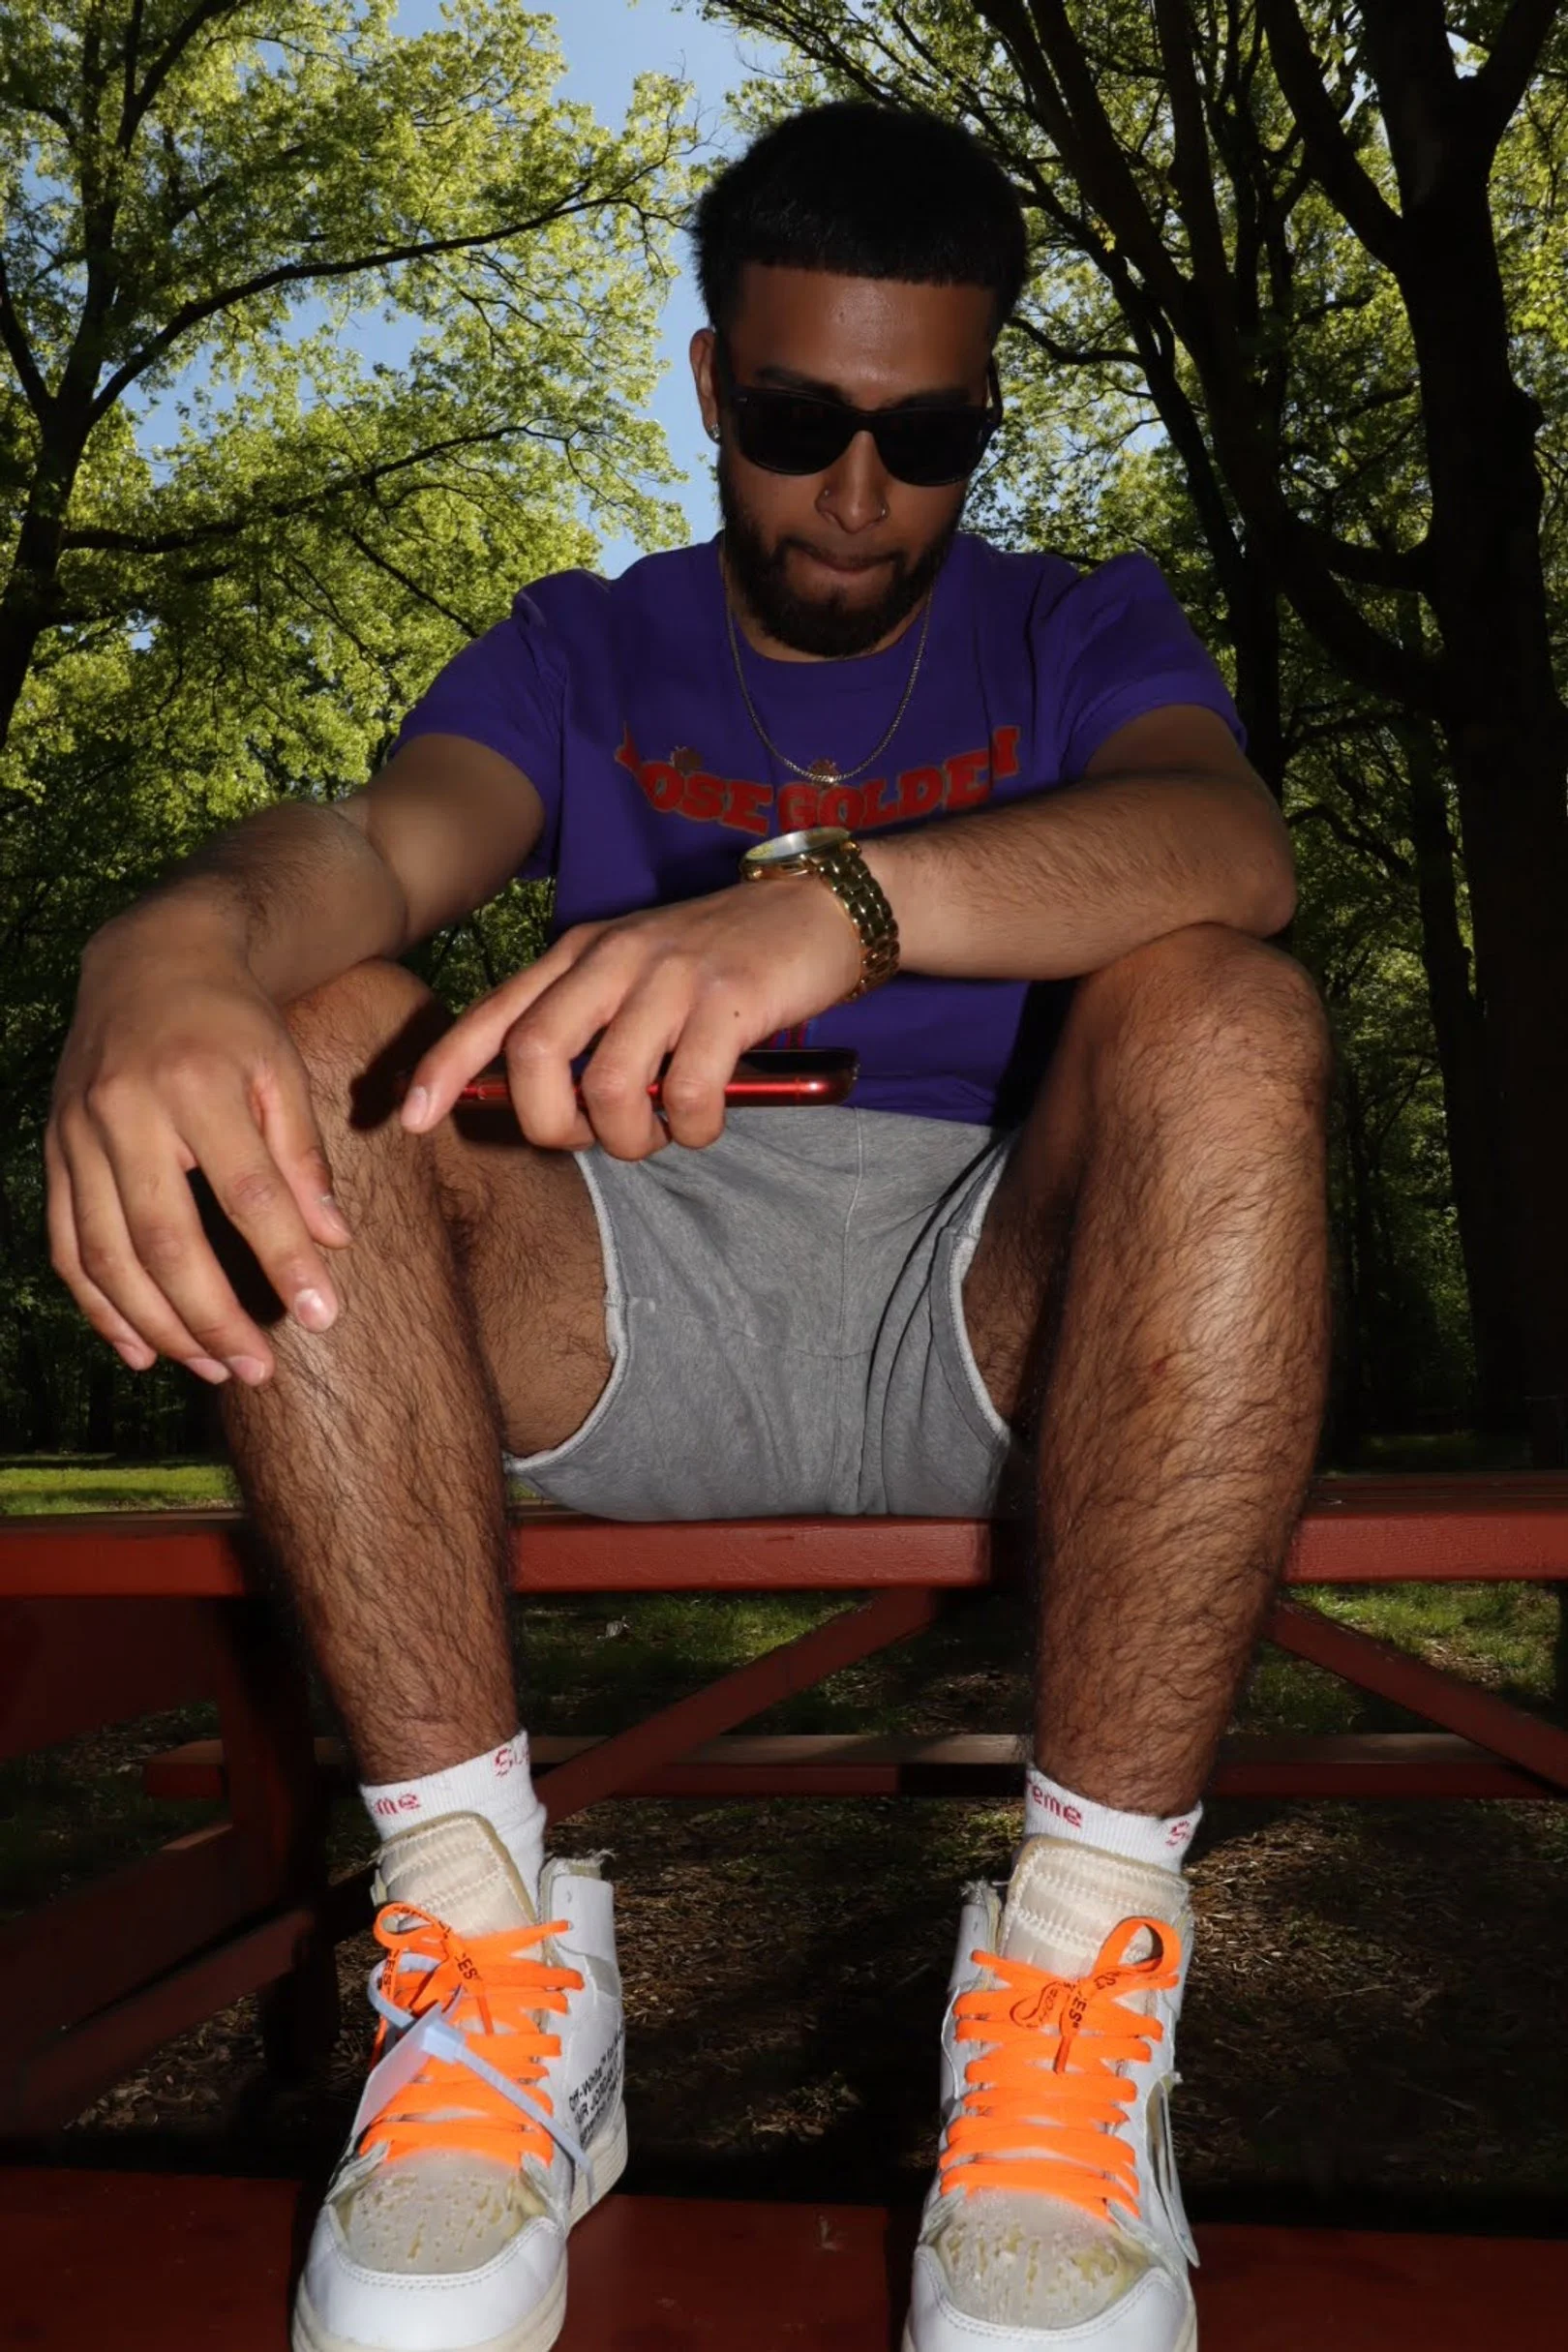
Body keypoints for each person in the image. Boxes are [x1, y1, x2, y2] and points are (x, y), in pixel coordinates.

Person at [47, 100, 1329, 2352]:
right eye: (802, 421)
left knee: (1226, 1010)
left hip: (1012, 1305)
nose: (859, 494)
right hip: (622, 1281)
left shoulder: (1079, 622)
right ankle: (482, 1971)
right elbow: (376, 850)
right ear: (715, 381)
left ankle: (1072, 2014)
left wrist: (840, 907)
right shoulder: (585, 647)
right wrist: (169, 944)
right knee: (321, 1022)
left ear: (985, 411)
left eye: (929, 436)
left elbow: (1227, 848)